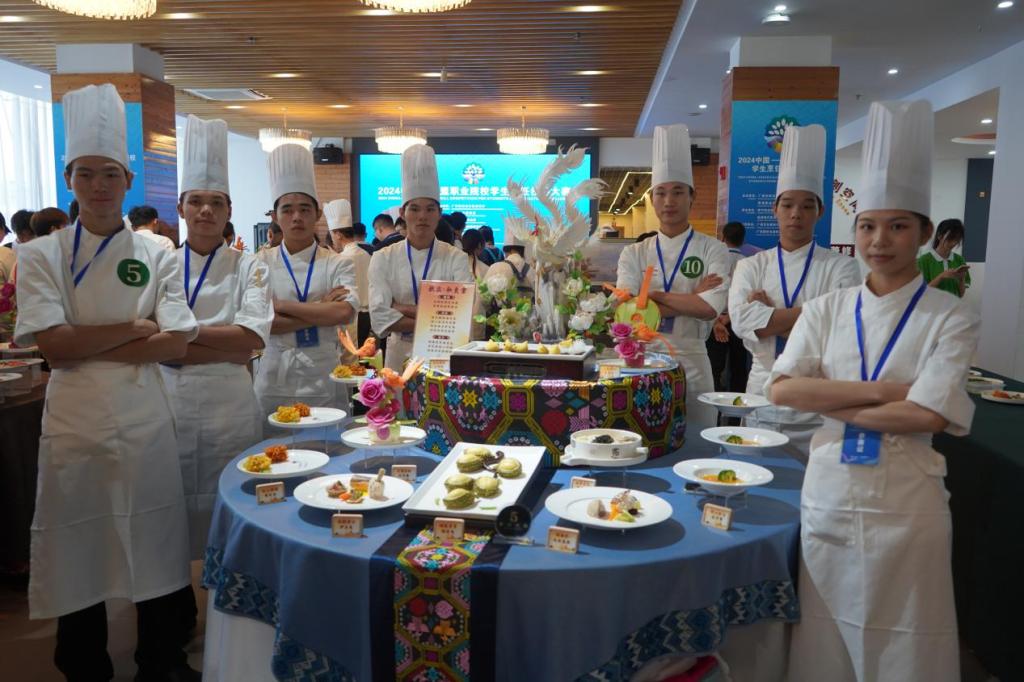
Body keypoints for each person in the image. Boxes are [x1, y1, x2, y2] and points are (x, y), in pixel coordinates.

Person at [770, 100, 977, 682]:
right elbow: (781, 390)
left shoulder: (951, 315)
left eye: (898, 226)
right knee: (824, 637)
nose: (879, 240)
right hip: (830, 489)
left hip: (907, 497)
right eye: (867, 225)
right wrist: (888, 391)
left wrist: (830, 398)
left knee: (907, 641)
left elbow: (928, 416)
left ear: (925, 233)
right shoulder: (828, 308)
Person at [13, 83, 200, 682]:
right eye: (86, 173)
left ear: (128, 179)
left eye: (110, 174)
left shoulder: (157, 251)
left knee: (155, 535)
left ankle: (161, 661)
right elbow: (53, 348)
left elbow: (178, 340)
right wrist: (134, 328)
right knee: (79, 542)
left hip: (145, 418)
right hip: (75, 423)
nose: (99, 185)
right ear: (69, 179)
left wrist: (88, 341)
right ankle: (83, 664)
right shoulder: (41, 256)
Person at [161, 114, 273, 564]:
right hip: (168, 399)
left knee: (231, 496)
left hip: (229, 401)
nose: (205, 210)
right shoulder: (161, 265)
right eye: (196, 201)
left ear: (229, 211)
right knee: (170, 500)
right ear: (181, 208)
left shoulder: (250, 266)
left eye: (215, 203)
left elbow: (249, 339)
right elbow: (149, 337)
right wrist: (222, 343)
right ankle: (175, 593)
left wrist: (179, 337)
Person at [728, 126, 861, 457]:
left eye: (807, 206)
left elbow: (841, 330)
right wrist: (818, 312)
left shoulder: (842, 266)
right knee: (752, 478)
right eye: (787, 204)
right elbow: (742, 322)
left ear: (820, 211)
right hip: (761, 391)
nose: (796, 214)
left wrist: (769, 316)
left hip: (816, 400)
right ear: (774, 209)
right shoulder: (752, 265)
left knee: (813, 484)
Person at [616, 124, 730, 431]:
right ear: (652, 199)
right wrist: (692, 298)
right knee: (641, 437)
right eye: (662, 193)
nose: (669, 201)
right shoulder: (634, 253)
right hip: (642, 358)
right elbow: (628, 312)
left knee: (698, 437)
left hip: (694, 359)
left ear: (692, 197)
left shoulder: (713, 249)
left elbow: (710, 308)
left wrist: (652, 296)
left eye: (678, 192)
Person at [254, 143, 358, 418]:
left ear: (317, 214)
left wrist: (280, 305)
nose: (297, 217)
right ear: (275, 216)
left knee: (326, 441)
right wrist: (321, 308)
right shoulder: (259, 262)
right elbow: (261, 323)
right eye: (287, 210)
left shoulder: (337, 262)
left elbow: (344, 312)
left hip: (324, 373)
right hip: (275, 374)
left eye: (304, 209)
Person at [368, 144, 474, 370]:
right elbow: (378, 317)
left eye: (430, 209)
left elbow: (461, 316)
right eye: (414, 209)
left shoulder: (455, 257)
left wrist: (401, 307)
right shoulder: (383, 257)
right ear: (402, 213)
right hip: (398, 356)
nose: (422, 216)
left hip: (442, 355)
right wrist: (437, 318)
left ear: (439, 214)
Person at [707, 221, 750, 401]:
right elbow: (749, 298)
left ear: (722, 237)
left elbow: (708, 292)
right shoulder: (748, 264)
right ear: (743, 240)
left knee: (714, 369)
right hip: (737, 321)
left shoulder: (714, 262)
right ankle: (737, 410)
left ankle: (714, 409)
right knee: (739, 368)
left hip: (714, 320)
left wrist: (718, 320)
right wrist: (730, 318)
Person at [326, 199, 371, 348]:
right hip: (367, 316)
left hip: (353, 317)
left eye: (332, 235)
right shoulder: (365, 254)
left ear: (338, 234)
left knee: (353, 357)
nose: (333, 240)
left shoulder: (342, 259)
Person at [918, 218, 970, 297]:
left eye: (957, 239)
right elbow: (921, 293)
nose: (954, 243)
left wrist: (961, 279)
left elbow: (961, 294)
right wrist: (941, 276)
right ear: (939, 236)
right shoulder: (923, 261)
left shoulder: (959, 260)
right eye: (951, 238)